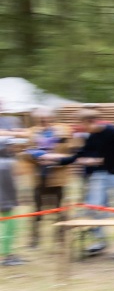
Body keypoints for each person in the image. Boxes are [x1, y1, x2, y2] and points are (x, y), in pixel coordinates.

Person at [50, 108, 114, 256]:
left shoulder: (112, 131)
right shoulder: (92, 136)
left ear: (91, 121)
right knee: (94, 206)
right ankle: (99, 240)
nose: (81, 127)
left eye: (81, 124)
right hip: (101, 173)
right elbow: (81, 154)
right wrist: (59, 160)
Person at [22, 107, 73, 247]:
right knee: (37, 209)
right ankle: (34, 239)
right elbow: (25, 153)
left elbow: (70, 153)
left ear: (52, 118)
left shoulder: (63, 130)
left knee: (60, 208)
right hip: (39, 176)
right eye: (40, 120)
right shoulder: (32, 132)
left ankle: (60, 238)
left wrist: (55, 159)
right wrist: (35, 158)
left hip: (57, 176)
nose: (43, 122)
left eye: (45, 119)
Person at [0, 138, 23, 266]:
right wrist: (15, 199)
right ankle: (5, 257)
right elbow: (11, 184)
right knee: (9, 229)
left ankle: (7, 254)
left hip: (4, 200)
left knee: (6, 228)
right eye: (9, 146)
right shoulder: (8, 163)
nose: (12, 149)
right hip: (5, 201)